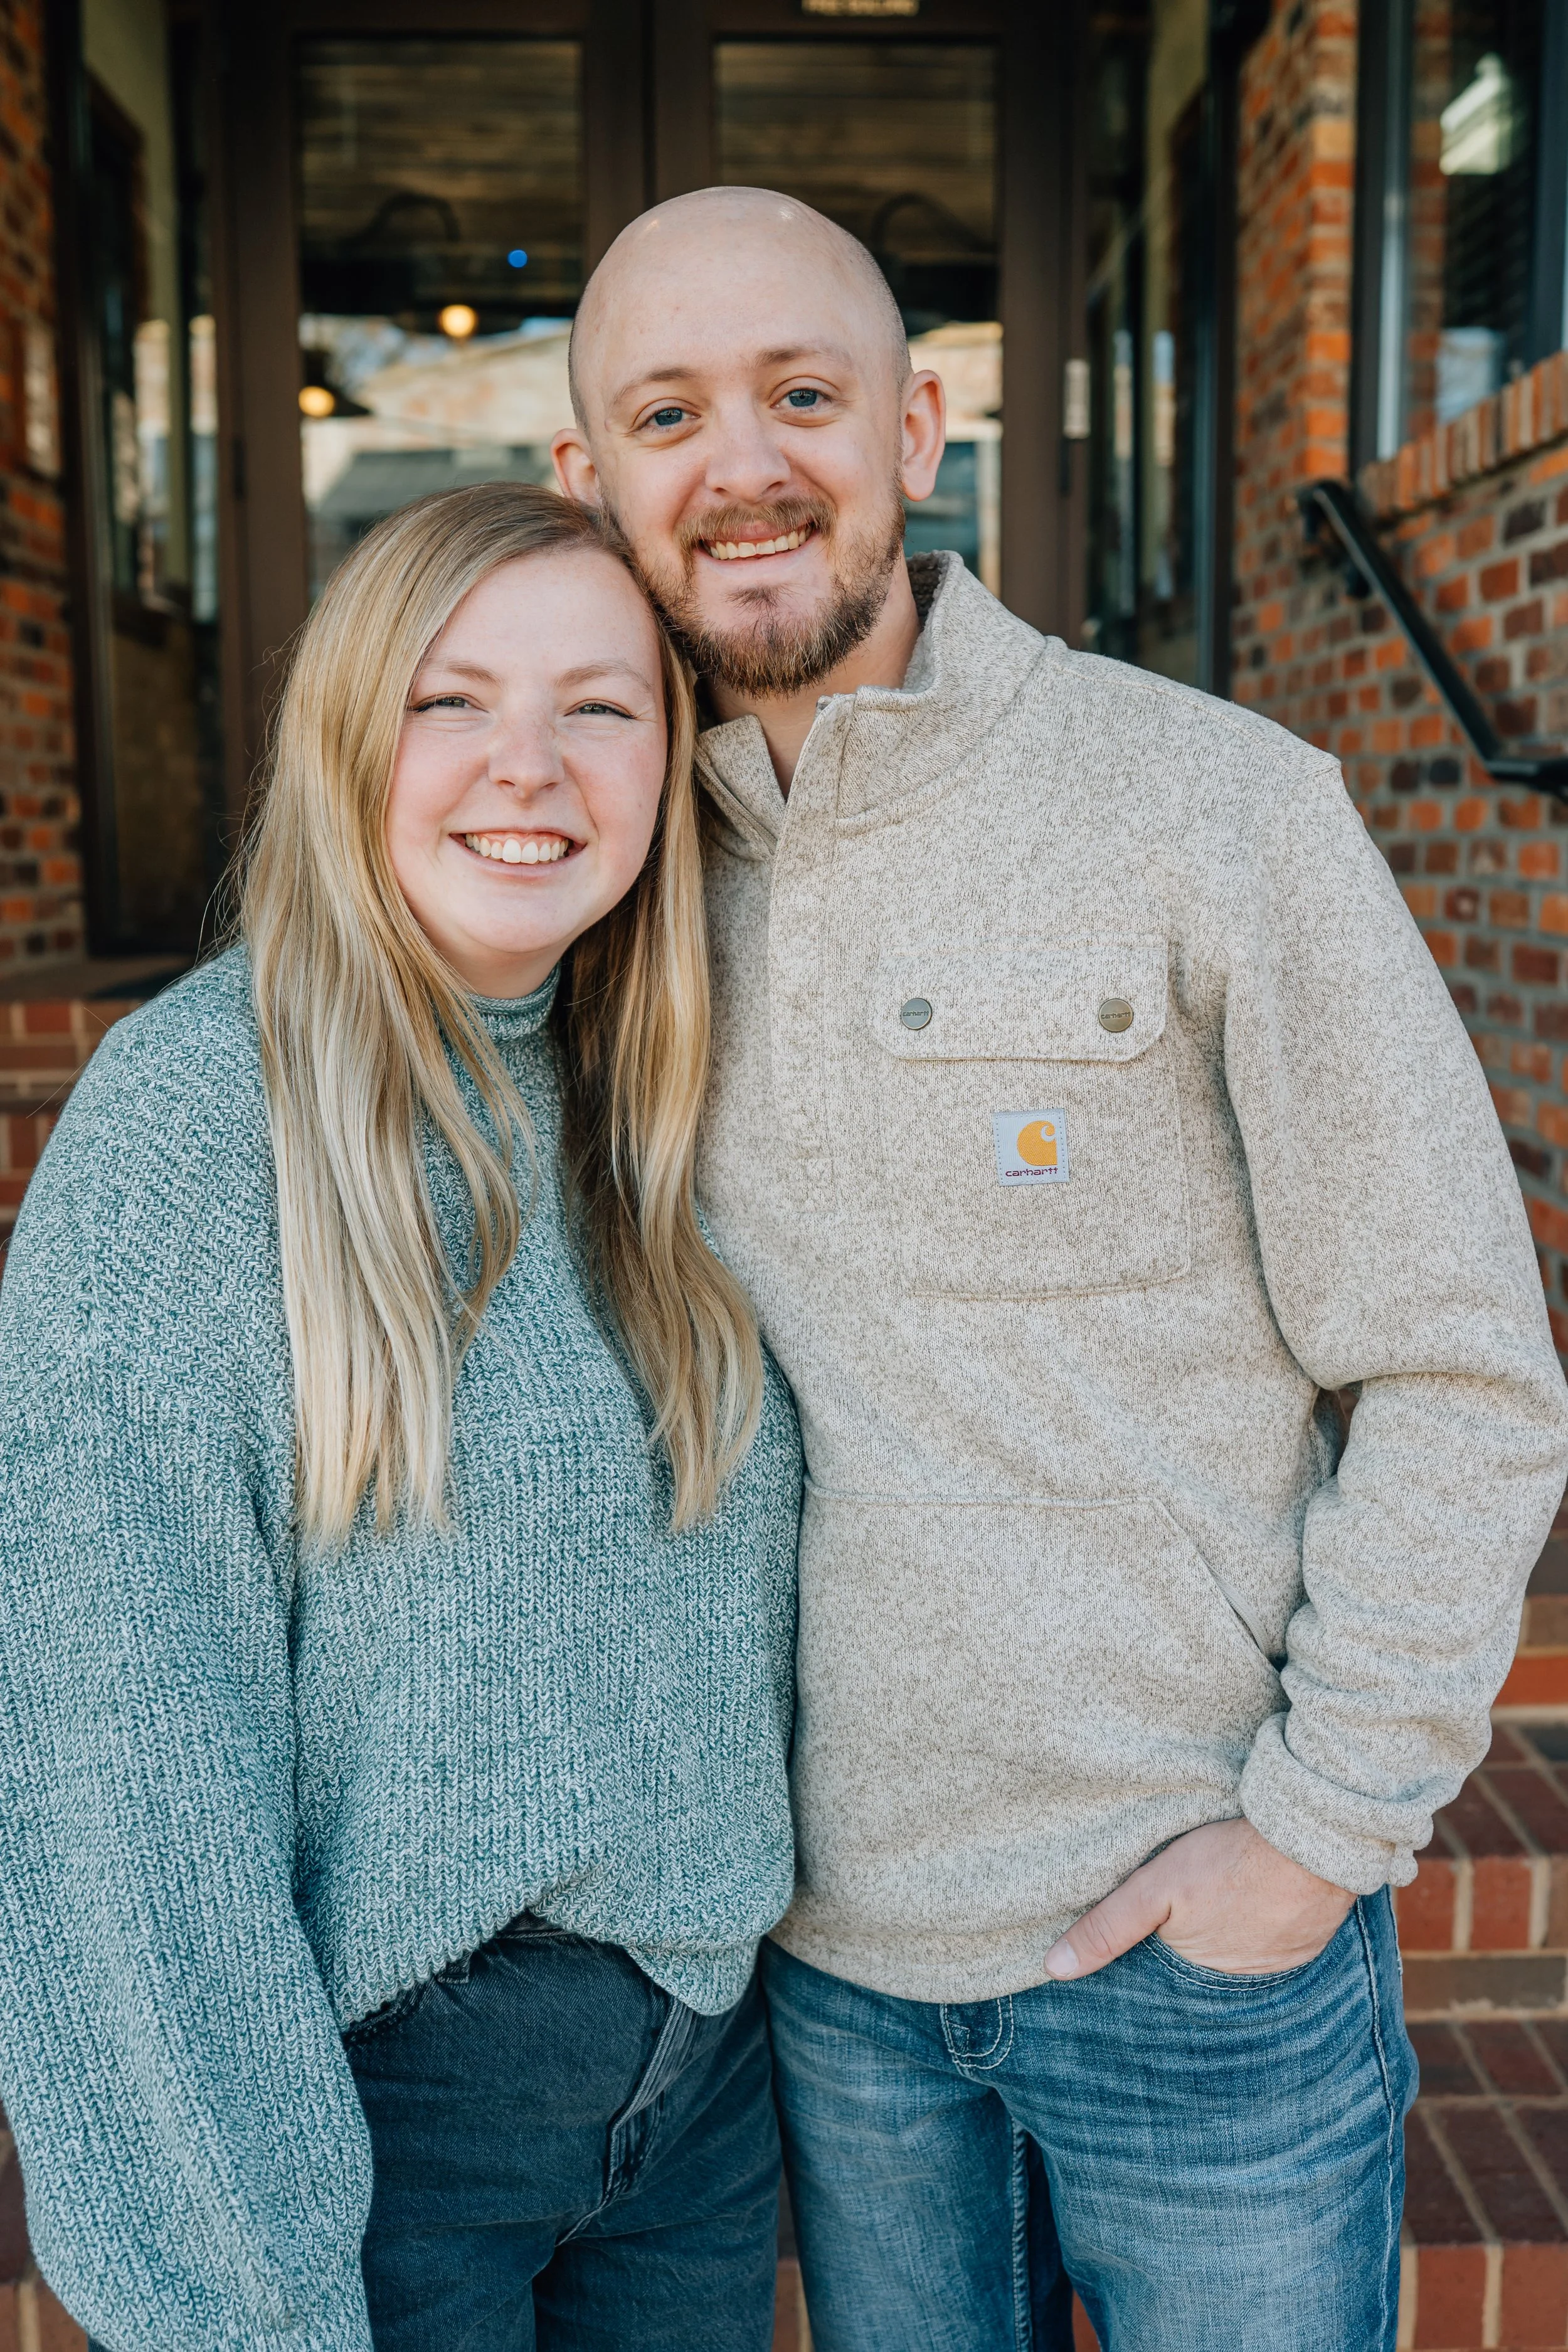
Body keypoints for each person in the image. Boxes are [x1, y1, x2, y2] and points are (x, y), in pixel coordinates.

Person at [553, 187, 1568, 2350]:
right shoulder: (602, 888)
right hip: (830, 1973)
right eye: (667, 410)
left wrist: (1316, 1832)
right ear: (589, 481)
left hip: (1205, 1948)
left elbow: (1462, 1367)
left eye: (800, 393)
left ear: (919, 429)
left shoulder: (1215, 807)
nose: (739, 462)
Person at [0, 482, 802, 2352]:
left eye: (600, 704)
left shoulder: (661, 1087)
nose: (527, 763)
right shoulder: (198, 1124)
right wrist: (239, 2301)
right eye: (453, 697)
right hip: (381, 2129)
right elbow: (121, 1784)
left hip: (700, 2089)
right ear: (351, 733)